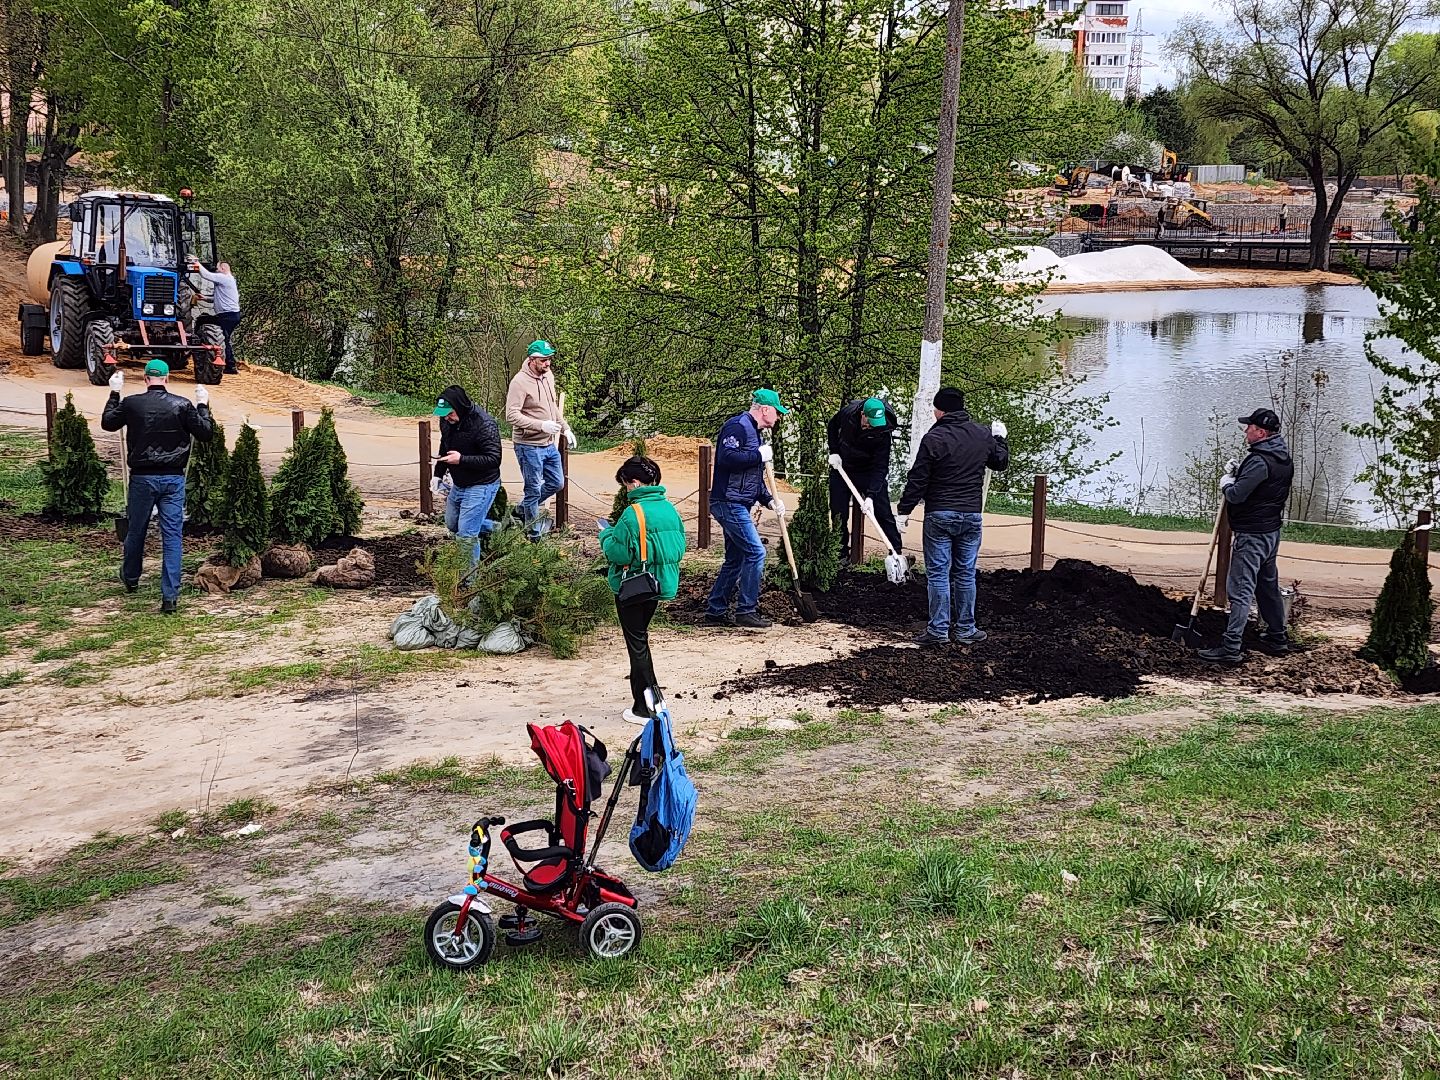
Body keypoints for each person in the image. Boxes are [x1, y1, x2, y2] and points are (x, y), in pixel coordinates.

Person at [895, 387, 1008, 646]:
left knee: (938, 574)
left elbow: (918, 479)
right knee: (966, 573)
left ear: (940, 411)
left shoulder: (934, 438)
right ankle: (966, 629)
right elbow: (999, 462)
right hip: (971, 514)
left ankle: (938, 630)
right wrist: (1000, 439)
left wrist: (904, 511)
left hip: (940, 514)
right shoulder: (982, 434)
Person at [101, 359, 214, 614]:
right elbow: (206, 433)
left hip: (142, 478)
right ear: (167, 378)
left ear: (145, 379)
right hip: (173, 479)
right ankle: (170, 597)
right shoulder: (182, 405)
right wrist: (202, 405)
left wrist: (114, 393)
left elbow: (108, 422)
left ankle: (131, 577)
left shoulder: (131, 403)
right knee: (172, 536)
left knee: (136, 530)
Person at [1198, 407, 1295, 665]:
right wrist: (1240, 472)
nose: (1245, 431)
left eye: (1249, 427)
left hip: (1252, 534)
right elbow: (1264, 486)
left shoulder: (1260, 460)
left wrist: (1227, 484)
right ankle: (1277, 637)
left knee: (1240, 590)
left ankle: (1230, 647)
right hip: (1271, 531)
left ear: (1261, 432)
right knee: (1267, 584)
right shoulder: (1283, 458)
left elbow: (1237, 495)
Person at [600, 456, 686, 724]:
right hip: (659, 583)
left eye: (626, 485)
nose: (626, 490)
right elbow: (679, 547)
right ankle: (654, 700)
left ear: (635, 482)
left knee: (637, 645)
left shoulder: (632, 513)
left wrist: (605, 535)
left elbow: (618, 553)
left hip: (633, 586)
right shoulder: (669, 509)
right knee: (640, 641)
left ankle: (645, 707)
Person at [704, 388, 788, 629]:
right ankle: (746, 610)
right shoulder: (737, 427)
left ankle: (716, 610)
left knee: (736, 559)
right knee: (756, 552)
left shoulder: (755, 433)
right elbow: (726, 458)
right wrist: (757, 455)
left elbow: (753, 479)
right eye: (777, 412)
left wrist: (769, 500)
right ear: (765, 409)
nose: (778, 417)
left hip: (738, 502)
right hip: (728, 502)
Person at [505, 339, 574, 539]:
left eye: (549, 359)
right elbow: (511, 415)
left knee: (557, 482)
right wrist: (541, 425)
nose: (548, 363)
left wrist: (566, 428)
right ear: (532, 359)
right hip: (528, 445)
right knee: (533, 489)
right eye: (543, 360)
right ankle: (533, 534)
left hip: (548, 443)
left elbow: (552, 406)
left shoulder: (548, 376)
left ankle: (522, 509)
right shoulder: (519, 382)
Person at [431, 385, 502, 564]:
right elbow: (445, 445)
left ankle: (469, 579)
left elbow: (494, 459)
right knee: (452, 524)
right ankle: (497, 528)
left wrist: (461, 459)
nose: (446, 418)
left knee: (466, 536)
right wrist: (437, 475)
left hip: (482, 483)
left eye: (450, 413)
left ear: (460, 407)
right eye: (443, 415)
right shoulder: (447, 422)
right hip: (460, 483)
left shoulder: (484, 424)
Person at [826, 396, 901, 554]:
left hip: (869, 470)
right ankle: (840, 554)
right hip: (843, 467)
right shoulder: (847, 414)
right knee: (838, 513)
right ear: (863, 414)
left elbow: (881, 466)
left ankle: (896, 553)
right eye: (870, 422)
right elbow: (832, 426)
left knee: (883, 513)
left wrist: (871, 496)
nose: (872, 427)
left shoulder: (884, 429)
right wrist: (834, 451)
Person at [188, 259, 242, 375]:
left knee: (224, 338)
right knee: (221, 335)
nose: (216, 271)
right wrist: (205, 298)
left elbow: (207, 275)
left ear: (223, 269)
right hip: (230, 315)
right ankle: (229, 364)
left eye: (217, 269)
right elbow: (217, 298)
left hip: (228, 315)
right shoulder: (229, 280)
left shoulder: (224, 278)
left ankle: (230, 365)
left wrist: (197, 263)